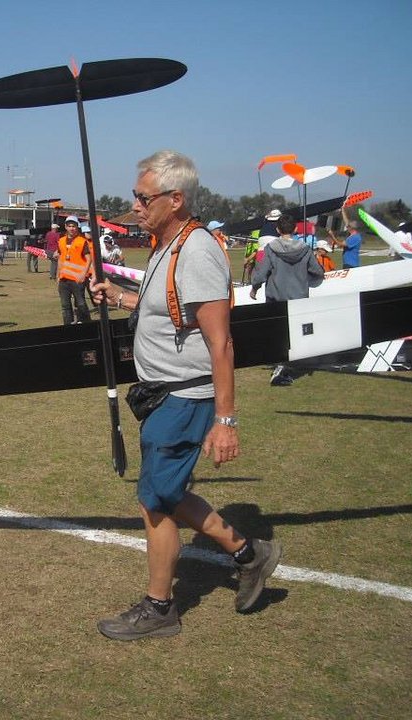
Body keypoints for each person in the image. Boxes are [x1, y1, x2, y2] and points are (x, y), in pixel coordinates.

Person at [90, 150, 281, 641]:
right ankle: (249, 554)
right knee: (168, 492)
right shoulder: (166, 244)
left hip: (184, 398)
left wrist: (226, 421)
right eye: (135, 196)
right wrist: (119, 296)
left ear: (175, 199)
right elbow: (172, 312)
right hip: (161, 394)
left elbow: (222, 343)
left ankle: (160, 608)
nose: (135, 205)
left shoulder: (196, 251)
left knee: (154, 500)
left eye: (143, 197)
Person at [250, 213, 325, 386]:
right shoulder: (305, 249)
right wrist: (308, 280)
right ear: (296, 229)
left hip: (276, 298)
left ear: (277, 229)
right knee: (294, 335)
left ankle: (280, 365)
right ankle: (285, 365)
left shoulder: (270, 249)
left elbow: (262, 272)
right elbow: (318, 271)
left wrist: (255, 287)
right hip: (299, 298)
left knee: (277, 334)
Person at [57, 215, 92, 325]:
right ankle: (68, 325)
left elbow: (89, 259)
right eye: (69, 226)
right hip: (63, 279)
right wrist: (58, 276)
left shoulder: (82, 241)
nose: (71, 228)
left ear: (77, 227)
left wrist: (83, 274)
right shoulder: (61, 241)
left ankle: (86, 323)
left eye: (74, 226)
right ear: (66, 227)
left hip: (77, 279)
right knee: (65, 306)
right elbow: (60, 259)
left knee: (81, 304)